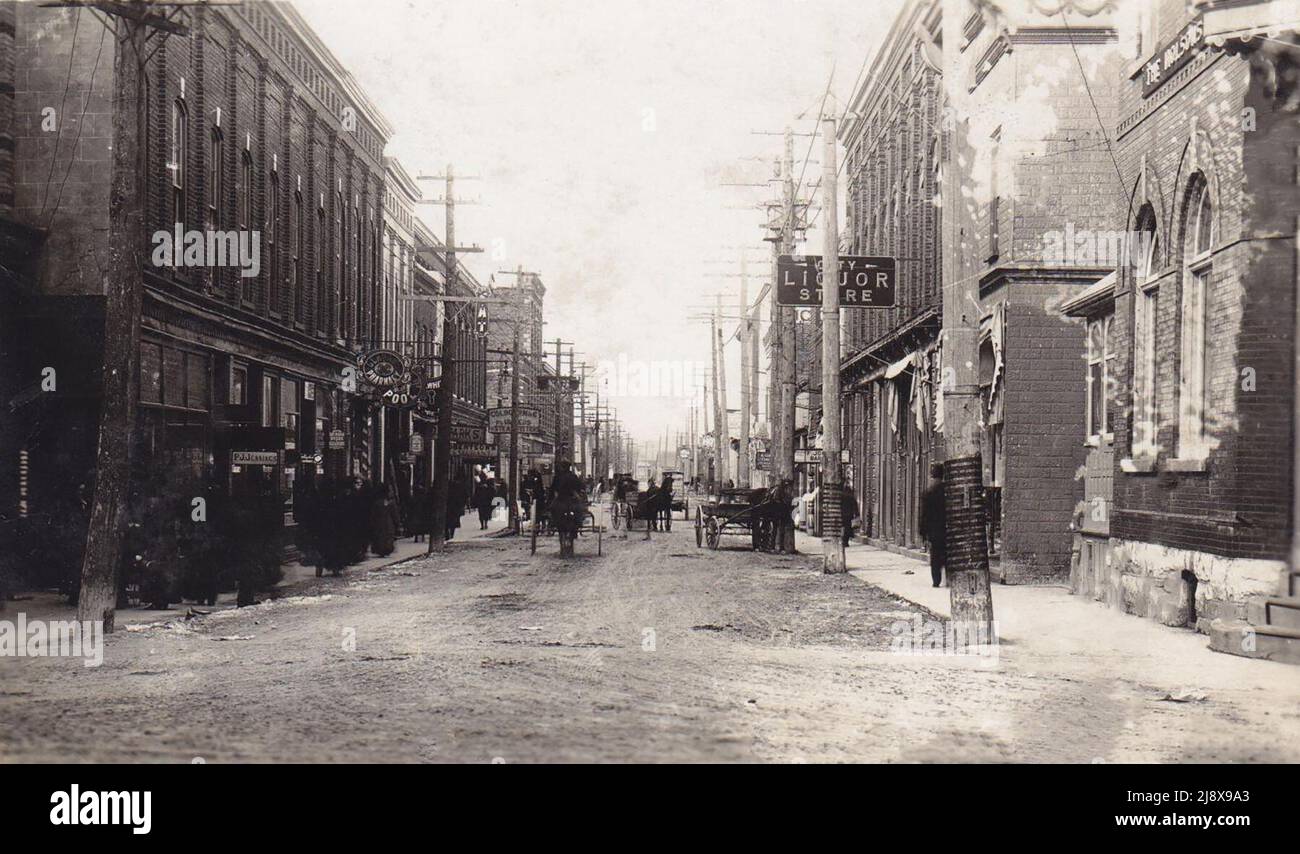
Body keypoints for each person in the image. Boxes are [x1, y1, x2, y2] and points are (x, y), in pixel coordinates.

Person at [919, 462, 946, 587]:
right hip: (947, 529)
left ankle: (936, 580)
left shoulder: (928, 493)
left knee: (935, 556)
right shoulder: (947, 491)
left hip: (934, 531)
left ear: (932, 475)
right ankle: (949, 578)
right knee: (947, 553)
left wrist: (923, 533)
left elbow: (924, 515)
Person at [368, 482, 398, 557]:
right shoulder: (391, 503)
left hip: (379, 523)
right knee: (387, 536)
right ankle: (386, 550)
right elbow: (395, 515)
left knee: (380, 536)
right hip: (388, 523)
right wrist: (397, 522)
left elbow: (373, 514)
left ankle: (380, 550)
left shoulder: (377, 503)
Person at [446, 473, 469, 541]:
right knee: (453, 520)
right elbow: (466, 496)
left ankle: (447, 534)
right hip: (456, 506)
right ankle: (451, 534)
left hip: (449, 506)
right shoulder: (461, 487)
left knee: (448, 521)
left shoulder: (450, 486)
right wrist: (464, 504)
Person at [841, 482, 860, 548]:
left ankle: (842, 540)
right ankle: (845, 541)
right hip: (849, 515)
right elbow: (855, 506)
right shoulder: (851, 497)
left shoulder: (841, 496)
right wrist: (857, 514)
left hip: (842, 514)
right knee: (848, 528)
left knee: (842, 527)